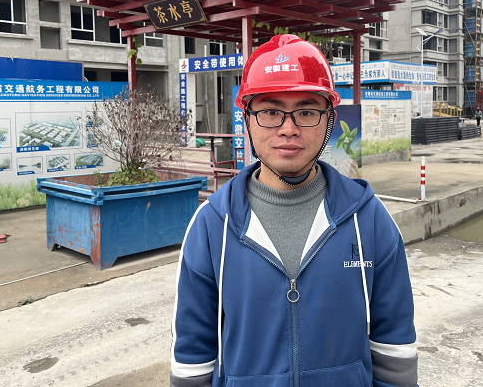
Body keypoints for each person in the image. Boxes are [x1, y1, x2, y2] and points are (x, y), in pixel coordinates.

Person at [170, 35, 418, 387]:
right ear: (247, 119)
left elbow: (395, 346)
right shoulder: (212, 225)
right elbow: (192, 356)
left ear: (329, 119)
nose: (289, 128)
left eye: (306, 112)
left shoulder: (369, 219)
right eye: (271, 112)